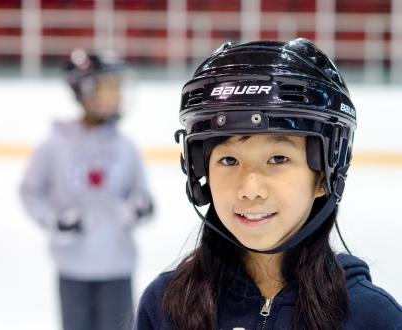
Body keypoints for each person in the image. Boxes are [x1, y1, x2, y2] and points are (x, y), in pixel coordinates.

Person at [134, 39, 402, 330]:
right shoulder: (164, 306)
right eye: (228, 161)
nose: (250, 189)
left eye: (277, 159)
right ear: (200, 171)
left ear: (325, 175)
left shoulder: (374, 318)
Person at [20, 48, 154, 330]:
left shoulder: (126, 147)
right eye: (109, 87)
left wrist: (139, 208)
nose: (117, 95)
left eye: (118, 87)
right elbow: (31, 191)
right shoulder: (54, 146)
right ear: (84, 90)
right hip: (72, 268)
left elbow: (143, 196)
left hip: (117, 267)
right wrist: (52, 220)